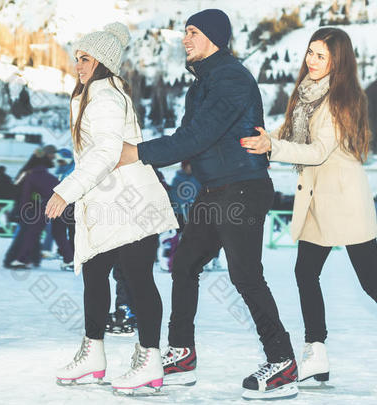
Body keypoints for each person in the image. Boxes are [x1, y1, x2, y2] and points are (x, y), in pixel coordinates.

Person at [117, 9, 296, 399]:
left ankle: (282, 361)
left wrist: (136, 153)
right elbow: (188, 137)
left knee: (245, 275)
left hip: (243, 188)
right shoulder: (201, 84)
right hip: (215, 190)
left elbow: (195, 138)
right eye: (185, 32)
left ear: (213, 36)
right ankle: (182, 354)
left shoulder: (231, 77)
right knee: (184, 265)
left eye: (193, 32)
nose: (185, 39)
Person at [241, 27, 377, 394]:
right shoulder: (307, 96)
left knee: (372, 283)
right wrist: (266, 139)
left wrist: (271, 148)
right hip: (318, 202)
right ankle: (317, 353)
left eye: (321, 55)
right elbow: (291, 138)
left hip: (345, 203)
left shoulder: (339, 100)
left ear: (337, 62)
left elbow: (317, 151)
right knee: (305, 273)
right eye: (310, 52)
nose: (312, 60)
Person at [47, 22, 177, 394]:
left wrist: (65, 191)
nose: (78, 65)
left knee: (137, 280)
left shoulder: (104, 97)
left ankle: (150, 360)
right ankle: (93, 354)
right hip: (108, 204)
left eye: (85, 58)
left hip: (129, 204)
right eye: (76, 58)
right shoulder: (94, 95)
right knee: (95, 275)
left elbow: (105, 152)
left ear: (102, 62)